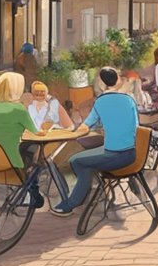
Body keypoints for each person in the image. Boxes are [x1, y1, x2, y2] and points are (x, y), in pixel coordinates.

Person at [51, 67, 140, 215]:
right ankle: (85, 196)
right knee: (87, 160)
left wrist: (70, 131)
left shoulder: (100, 101)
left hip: (113, 154)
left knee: (76, 161)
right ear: (118, 80)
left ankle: (74, 202)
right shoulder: (129, 99)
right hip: (131, 152)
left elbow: (86, 125)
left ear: (103, 83)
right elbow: (137, 127)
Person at [0, 72, 45, 207]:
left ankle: (29, 190)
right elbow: (35, 131)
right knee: (39, 154)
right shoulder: (19, 109)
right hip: (13, 161)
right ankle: (32, 192)